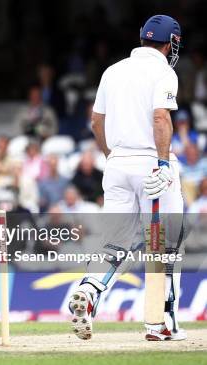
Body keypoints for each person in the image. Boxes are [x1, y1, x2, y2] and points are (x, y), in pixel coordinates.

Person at [70, 15, 186, 341]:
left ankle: (90, 290)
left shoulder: (113, 70)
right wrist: (163, 164)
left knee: (118, 243)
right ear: (171, 43)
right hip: (152, 164)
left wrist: (113, 157)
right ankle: (161, 324)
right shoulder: (164, 71)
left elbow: (96, 121)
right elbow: (160, 117)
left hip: (117, 163)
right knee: (165, 245)